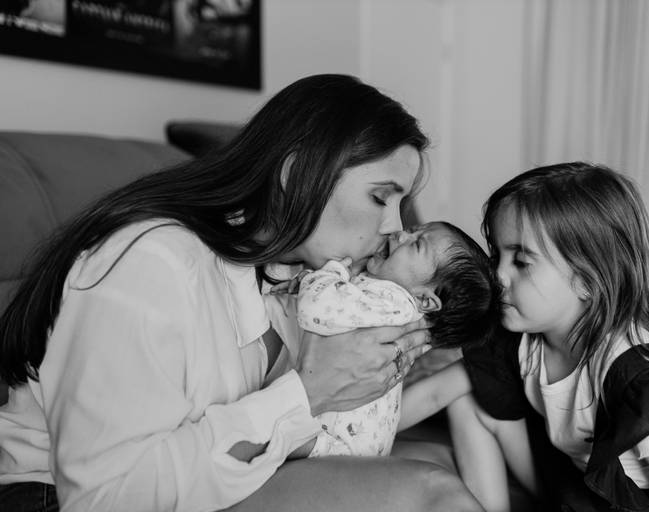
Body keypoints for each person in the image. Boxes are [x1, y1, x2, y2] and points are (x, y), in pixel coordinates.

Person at [0, 74, 485, 512]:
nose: (395, 227)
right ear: (297, 175)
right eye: (380, 197)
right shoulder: (151, 263)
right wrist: (310, 391)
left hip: (204, 482)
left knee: (437, 469)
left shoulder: (290, 273)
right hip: (52, 496)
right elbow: (104, 497)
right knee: (427, 493)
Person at [451, 162, 649, 512]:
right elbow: (436, 391)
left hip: (636, 504)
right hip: (579, 488)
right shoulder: (529, 336)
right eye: (497, 254)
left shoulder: (639, 378)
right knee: (471, 400)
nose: (497, 275)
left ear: (587, 281)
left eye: (521, 262)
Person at [275, 221, 500, 458]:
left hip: (339, 443)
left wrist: (328, 273)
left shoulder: (397, 304)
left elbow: (316, 309)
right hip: (351, 443)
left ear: (424, 301)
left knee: (275, 438)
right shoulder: (394, 306)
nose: (401, 235)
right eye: (412, 231)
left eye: (416, 245)